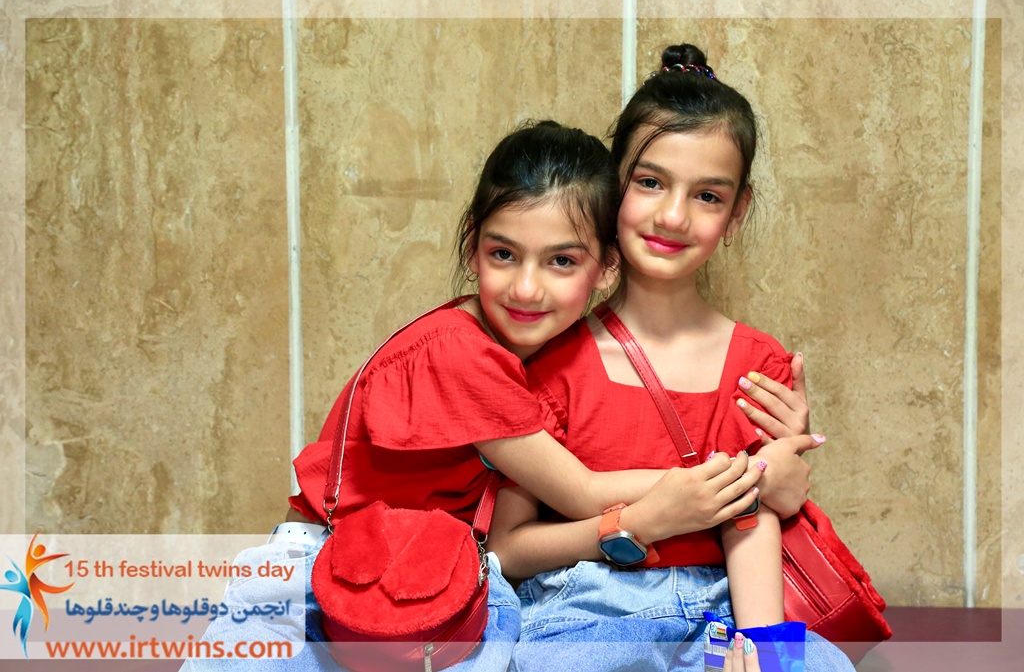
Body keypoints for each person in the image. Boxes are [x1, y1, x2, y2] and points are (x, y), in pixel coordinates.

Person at [181, 119, 772, 672]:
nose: (526, 288)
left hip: (420, 578)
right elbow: (581, 490)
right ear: (472, 247)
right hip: (321, 575)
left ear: (607, 268)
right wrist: (734, 478)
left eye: (561, 261)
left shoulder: (527, 351)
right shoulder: (460, 353)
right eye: (503, 254)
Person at [488, 45, 856, 672]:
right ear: (612, 189)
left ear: (736, 213)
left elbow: (755, 519)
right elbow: (507, 551)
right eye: (650, 182)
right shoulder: (551, 362)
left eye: (708, 195)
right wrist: (635, 523)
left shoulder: (759, 368)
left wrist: (762, 647)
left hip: (725, 609)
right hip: (590, 608)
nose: (674, 215)